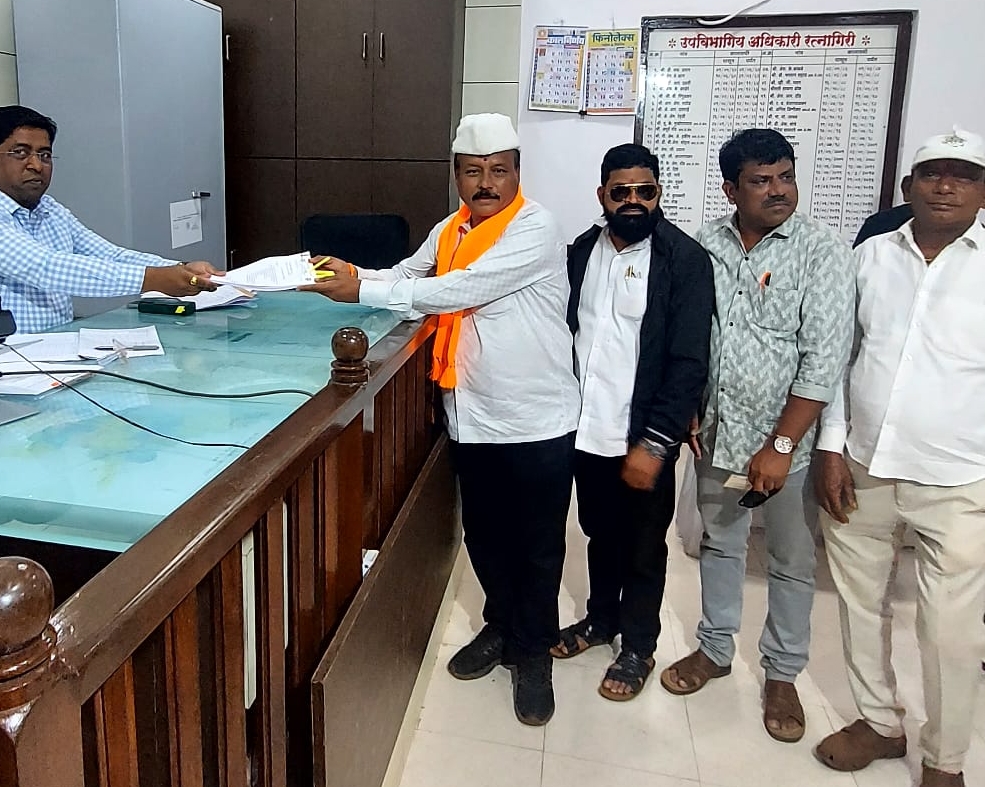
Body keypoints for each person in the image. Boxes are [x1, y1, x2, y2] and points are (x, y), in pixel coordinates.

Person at [812, 128, 985, 787]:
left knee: (951, 632)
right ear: (909, 187)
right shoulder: (869, 258)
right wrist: (830, 446)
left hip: (961, 481)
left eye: (964, 175)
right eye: (932, 173)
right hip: (865, 469)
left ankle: (945, 759)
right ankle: (879, 721)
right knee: (859, 606)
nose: (946, 185)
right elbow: (839, 359)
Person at [301, 113, 579, 726]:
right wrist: (349, 276)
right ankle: (501, 627)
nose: (486, 183)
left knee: (535, 546)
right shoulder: (450, 229)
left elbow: (462, 289)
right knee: (484, 534)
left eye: (499, 171)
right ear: (457, 175)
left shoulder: (535, 228)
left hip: (534, 418)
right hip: (470, 412)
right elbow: (408, 275)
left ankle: (533, 653)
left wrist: (362, 291)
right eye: (473, 172)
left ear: (517, 173)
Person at [658, 129, 856, 744]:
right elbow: (692, 331)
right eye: (761, 180)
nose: (778, 191)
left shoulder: (822, 251)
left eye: (786, 177)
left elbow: (824, 360)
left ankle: (782, 673)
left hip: (787, 444)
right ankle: (715, 649)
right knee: (720, 544)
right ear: (731, 189)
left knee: (791, 561)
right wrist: (689, 407)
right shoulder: (706, 243)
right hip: (717, 434)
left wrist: (781, 446)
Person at [551, 143, 713, 700]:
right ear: (603, 195)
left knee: (644, 546)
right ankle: (601, 621)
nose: (634, 201)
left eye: (646, 191)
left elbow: (689, 362)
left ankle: (639, 645)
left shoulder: (683, 260)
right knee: (599, 533)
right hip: (586, 429)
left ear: (659, 193)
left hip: (644, 433)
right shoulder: (580, 252)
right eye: (621, 192)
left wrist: (657, 443)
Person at [0, 105, 221, 332]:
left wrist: (177, 268)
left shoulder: (47, 208)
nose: (36, 165)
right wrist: (155, 280)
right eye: (21, 153)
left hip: (48, 353)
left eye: (44, 155)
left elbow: (108, 254)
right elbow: (44, 268)